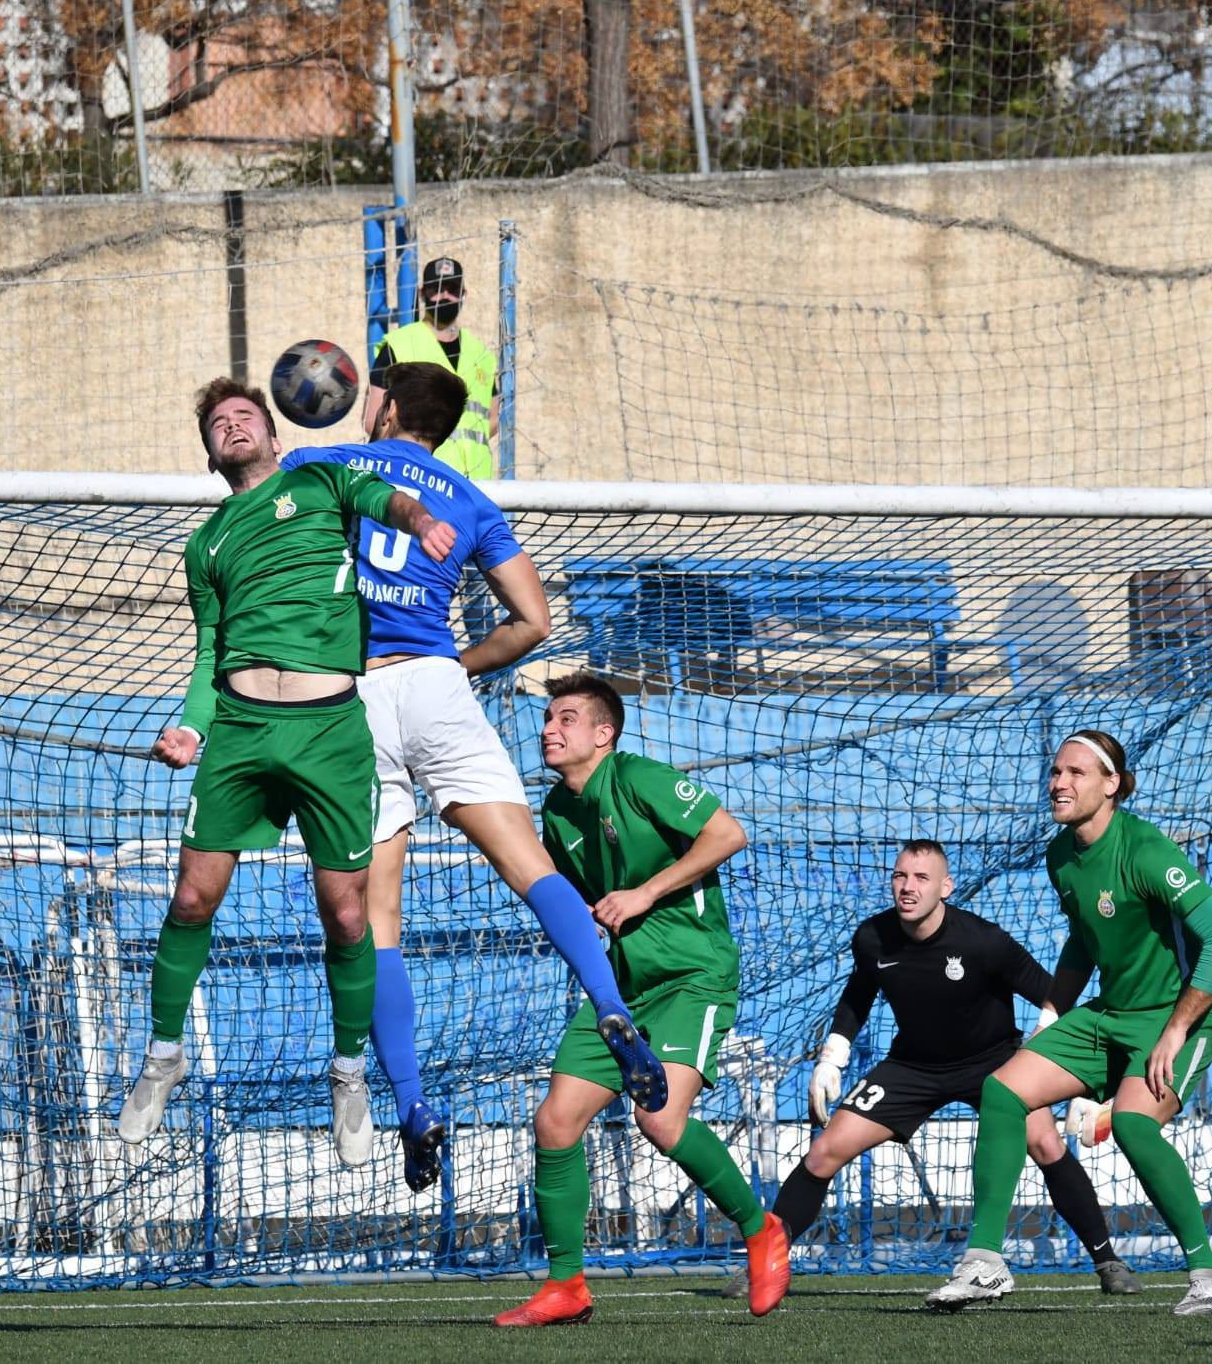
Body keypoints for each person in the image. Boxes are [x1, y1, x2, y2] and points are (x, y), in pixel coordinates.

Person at [283, 362, 668, 1193]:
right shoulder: (469, 497)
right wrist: (458, 661)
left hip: (351, 698)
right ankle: (609, 1002)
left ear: (383, 406)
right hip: (436, 683)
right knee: (529, 865)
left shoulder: (329, 466)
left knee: (377, 918)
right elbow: (534, 619)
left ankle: (414, 1105)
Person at [116, 376, 457, 1164]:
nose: (231, 426)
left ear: (274, 435)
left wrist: (423, 518)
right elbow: (208, 651)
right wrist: (191, 727)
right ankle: (163, 1057)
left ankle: (346, 1074)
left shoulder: (321, 480)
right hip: (238, 730)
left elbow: (387, 501)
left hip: (331, 730)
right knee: (193, 897)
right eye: (217, 424)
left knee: (346, 918)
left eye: (244, 417)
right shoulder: (206, 543)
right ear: (209, 452)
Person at [494, 673, 791, 1327]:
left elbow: (728, 833)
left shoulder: (639, 775)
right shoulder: (555, 811)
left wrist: (644, 893)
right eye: (547, 718)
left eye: (566, 718)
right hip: (621, 988)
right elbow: (569, 901)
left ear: (604, 733)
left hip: (692, 974)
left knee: (659, 1119)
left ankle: (760, 1227)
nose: (549, 728)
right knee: (556, 1121)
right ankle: (567, 1283)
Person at [724, 838, 1138, 1298]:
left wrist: (1067, 1067)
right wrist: (831, 1057)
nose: (907, 887)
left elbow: (1054, 994)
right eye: (900, 876)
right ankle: (763, 1267)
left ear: (946, 887)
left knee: (1044, 1142)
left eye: (921, 878)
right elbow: (858, 996)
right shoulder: (872, 937)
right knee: (824, 1152)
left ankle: (1108, 1261)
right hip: (912, 1066)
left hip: (994, 1064)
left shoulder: (984, 942)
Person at [927, 729, 1212, 1317]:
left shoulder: (1147, 850)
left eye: (1075, 772)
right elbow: (1082, 941)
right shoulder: (1060, 855)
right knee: (1003, 1090)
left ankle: (1208, 1278)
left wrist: (1174, 1032)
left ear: (1113, 785)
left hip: (1186, 1015)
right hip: (1112, 1010)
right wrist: (1051, 1014)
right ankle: (985, 1263)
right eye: (1055, 771)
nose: (1059, 782)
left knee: (1132, 1125)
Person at [360, 256, 499, 480]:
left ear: (464, 293)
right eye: (437, 288)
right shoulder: (400, 343)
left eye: (452, 288)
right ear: (423, 293)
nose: (445, 295)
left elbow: (493, 419)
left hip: (476, 483)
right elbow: (372, 419)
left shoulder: (482, 354)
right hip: (420, 478)